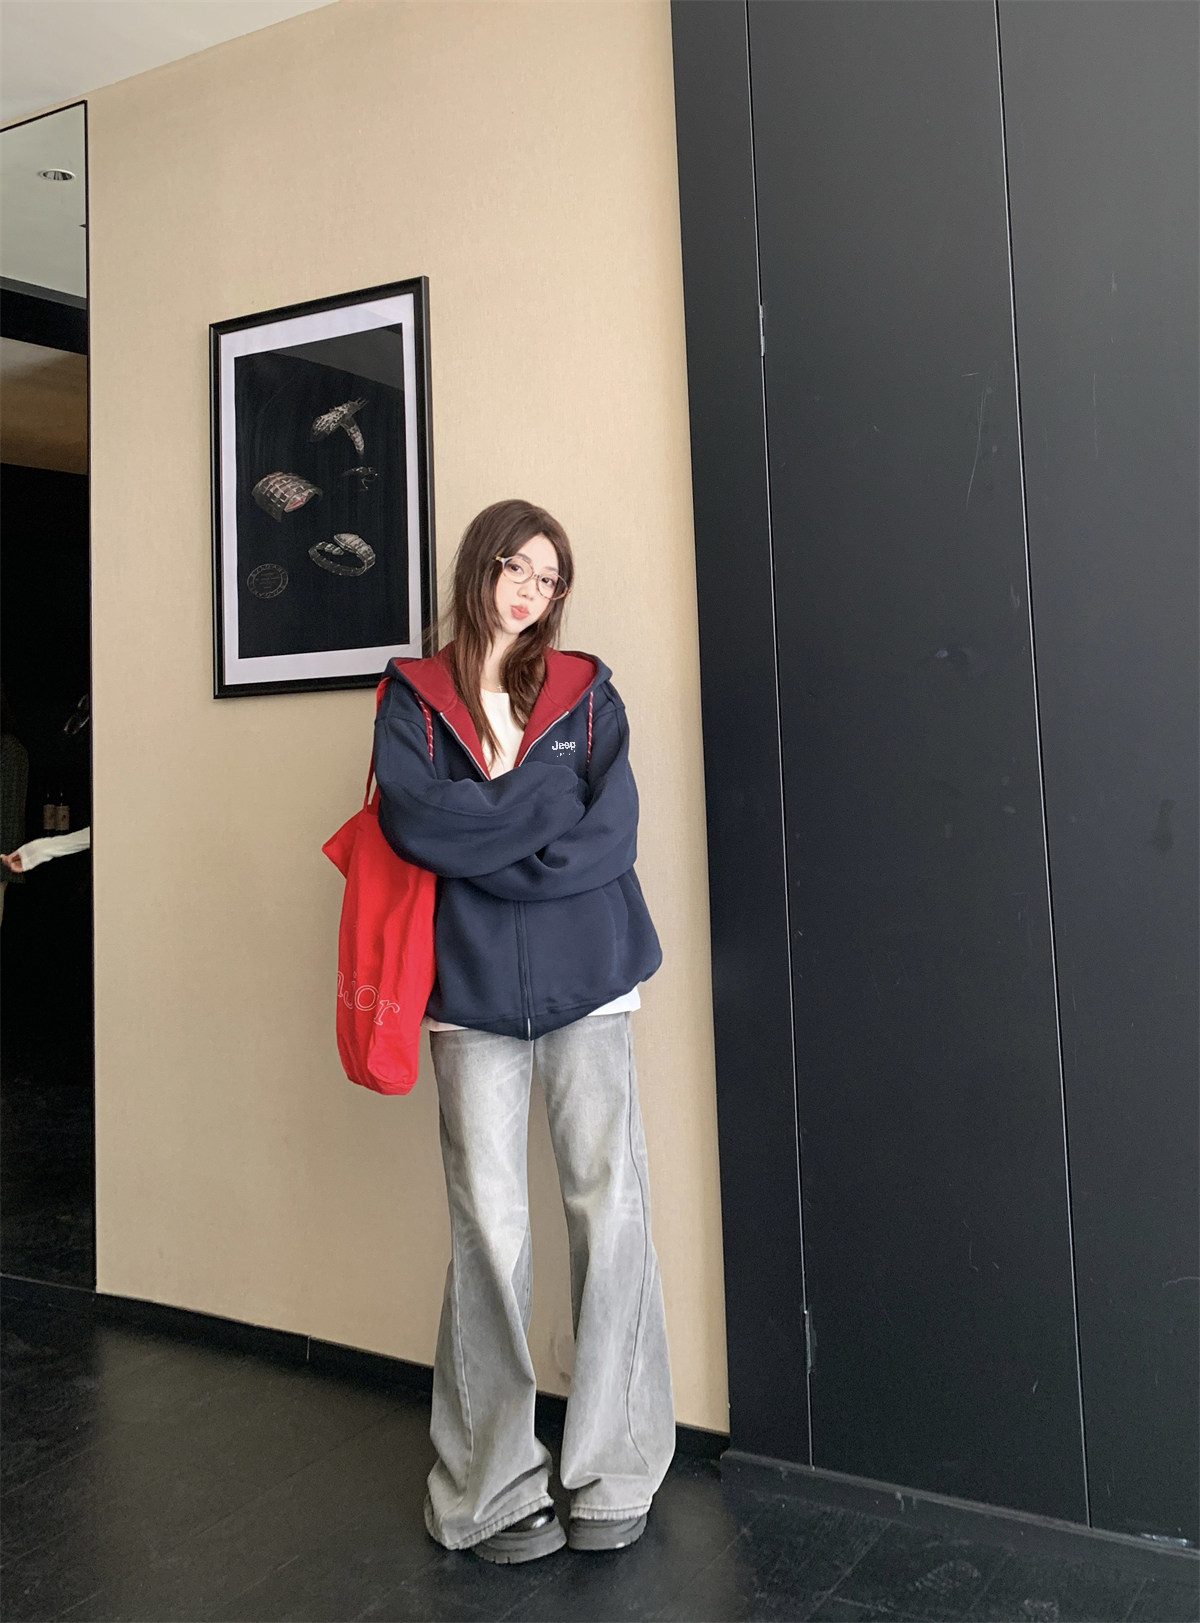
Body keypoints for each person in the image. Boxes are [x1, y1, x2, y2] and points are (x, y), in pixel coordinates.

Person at [373, 499, 674, 1565]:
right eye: (518, 568)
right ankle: (486, 1486)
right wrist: (543, 802)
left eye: (550, 579)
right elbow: (415, 821)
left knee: (611, 1211)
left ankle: (614, 1465)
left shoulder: (589, 691)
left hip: (593, 981)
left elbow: (612, 831)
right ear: (481, 566)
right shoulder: (412, 695)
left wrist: (497, 834)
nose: (532, 592)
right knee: (488, 1232)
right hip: (469, 995)